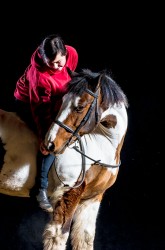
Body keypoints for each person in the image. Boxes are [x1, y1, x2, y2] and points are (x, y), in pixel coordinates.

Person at [14, 34, 78, 212]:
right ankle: (40, 189)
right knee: (51, 140)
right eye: (52, 64)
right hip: (29, 102)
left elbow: (69, 75)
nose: (58, 67)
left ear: (66, 53)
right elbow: (40, 110)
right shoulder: (40, 76)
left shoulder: (71, 54)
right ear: (43, 58)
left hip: (56, 98)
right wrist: (45, 137)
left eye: (60, 61)